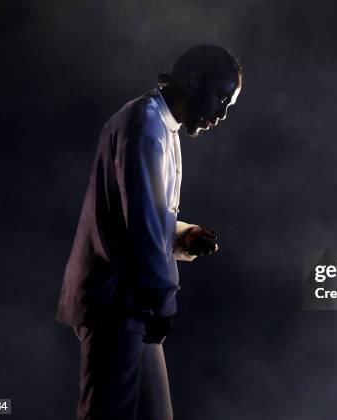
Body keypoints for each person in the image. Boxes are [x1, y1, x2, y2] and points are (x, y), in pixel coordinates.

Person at [55, 44, 242, 420]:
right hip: (118, 303)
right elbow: (142, 226)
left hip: (129, 301)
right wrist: (162, 302)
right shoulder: (145, 128)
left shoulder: (156, 123)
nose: (221, 115)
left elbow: (146, 217)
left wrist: (184, 234)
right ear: (193, 82)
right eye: (221, 99)